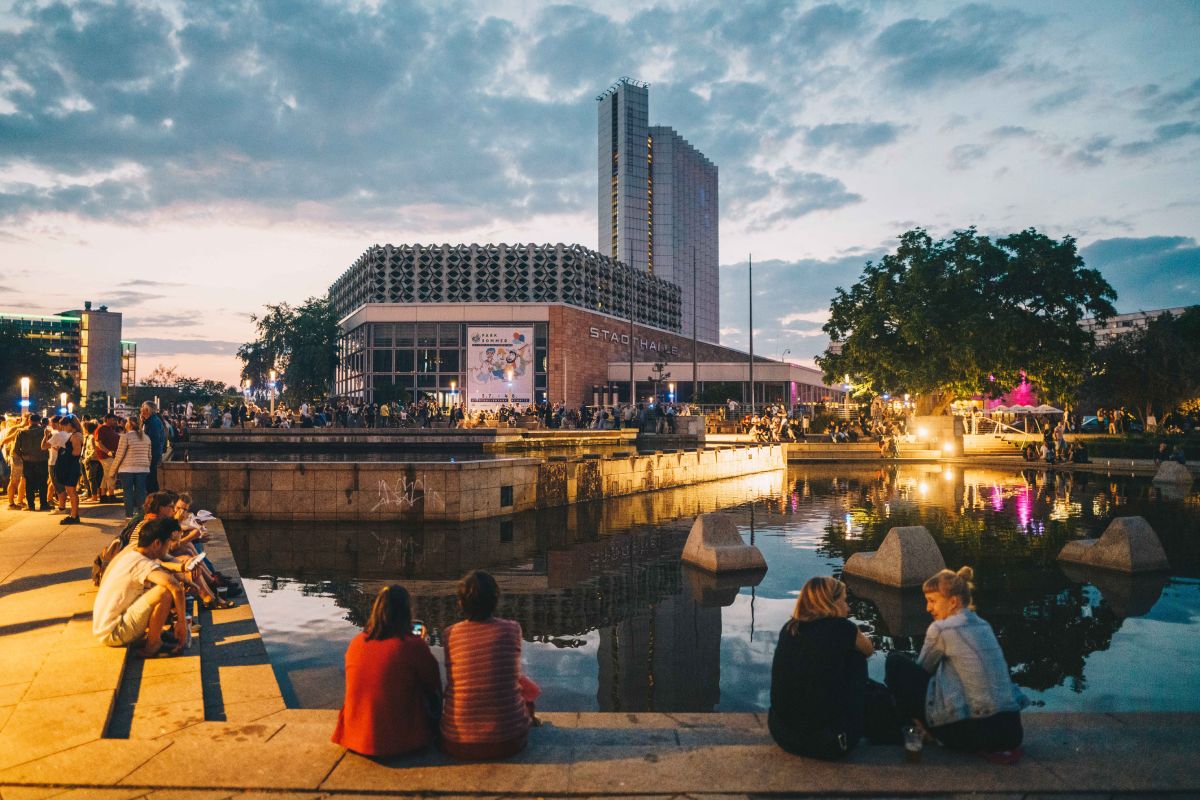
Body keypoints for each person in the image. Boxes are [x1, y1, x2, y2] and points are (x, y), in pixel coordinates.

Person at [885, 567, 1027, 759]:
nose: (928, 608)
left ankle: (911, 732)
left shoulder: (941, 629)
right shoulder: (984, 625)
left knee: (895, 663)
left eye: (933, 601)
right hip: (1012, 732)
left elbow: (922, 671)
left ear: (953, 602)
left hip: (973, 734)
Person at [768, 577, 877, 760]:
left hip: (782, 734)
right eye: (843, 600)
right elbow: (868, 649)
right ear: (831, 602)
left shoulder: (789, 628)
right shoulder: (843, 628)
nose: (848, 607)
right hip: (828, 744)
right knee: (857, 657)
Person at [332, 585, 441, 758]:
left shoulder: (356, 643)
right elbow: (433, 684)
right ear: (406, 612)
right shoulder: (412, 645)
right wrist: (420, 648)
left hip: (354, 739)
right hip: (403, 743)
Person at [440, 570, 538, 760]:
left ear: (461, 603)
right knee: (521, 685)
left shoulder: (450, 634)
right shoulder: (512, 629)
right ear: (495, 599)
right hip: (509, 741)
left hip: (456, 742)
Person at [92, 517, 189, 657]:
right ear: (157, 543)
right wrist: (182, 622)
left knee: (161, 586)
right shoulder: (140, 563)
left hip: (109, 627)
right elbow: (174, 587)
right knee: (165, 591)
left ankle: (156, 637)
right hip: (113, 632)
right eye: (168, 543)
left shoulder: (133, 555)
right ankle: (153, 645)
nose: (169, 547)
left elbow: (165, 570)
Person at [112, 415, 153, 518]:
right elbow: (149, 455)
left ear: (129, 424)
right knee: (141, 493)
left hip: (127, 469)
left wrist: (112, 471)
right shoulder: (146, 437)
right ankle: (142, 515)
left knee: (128, 492)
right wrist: (147, 465)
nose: (125, 424)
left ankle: (129, 516)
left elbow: (119, 455)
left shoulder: (125, 437)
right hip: (143, 469)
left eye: (127, 422)